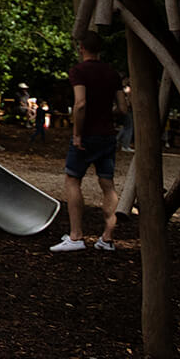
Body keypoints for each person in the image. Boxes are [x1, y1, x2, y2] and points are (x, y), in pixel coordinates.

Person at [52, 34, 124, 253]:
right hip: (108, 135)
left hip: (87, 135)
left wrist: (77, 134)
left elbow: (80, 103)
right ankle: (107, 238)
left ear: (81, 48)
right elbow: (123, 108)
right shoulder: (113, 74)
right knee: (107, 184)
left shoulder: (78, 71)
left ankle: (76, 236)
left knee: (73, 180)